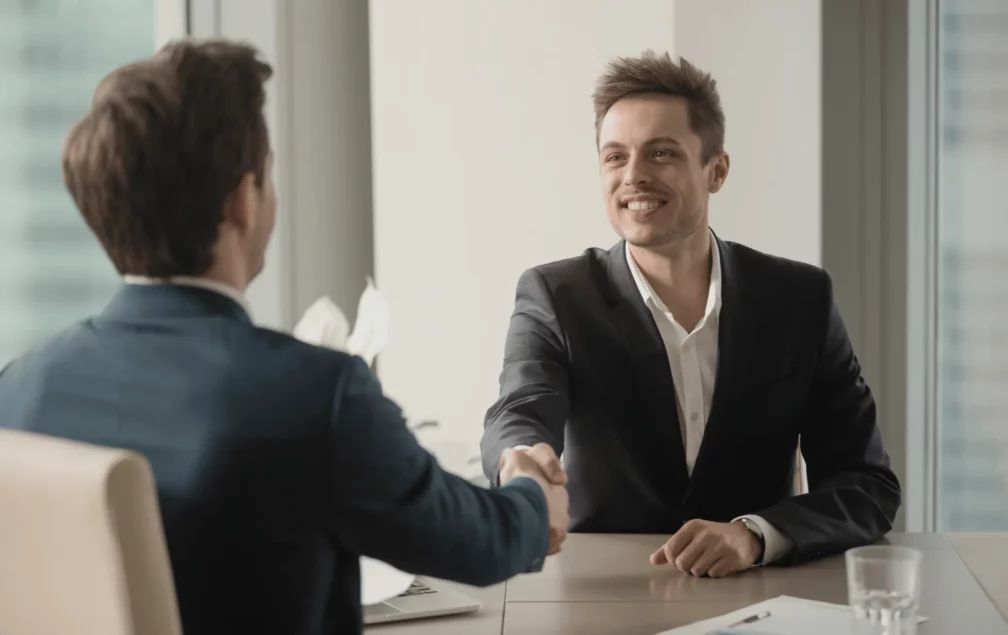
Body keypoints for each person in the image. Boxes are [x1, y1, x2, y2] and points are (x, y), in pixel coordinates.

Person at [0, 39, 568, 635]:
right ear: (244, 201)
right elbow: (476, 541)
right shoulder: (312, 396)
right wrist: (534, 500)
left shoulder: (19, 391)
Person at [480, 51, 901, 578]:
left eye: (660, 153)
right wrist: (521, 459)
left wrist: (755, 535)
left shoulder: (799, 299)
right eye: (615, 157)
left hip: (758, 600)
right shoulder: (555, 294)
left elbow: (866, 485)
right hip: (604, 598)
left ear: (716, 170)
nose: (633, 176)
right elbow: (521, 406)